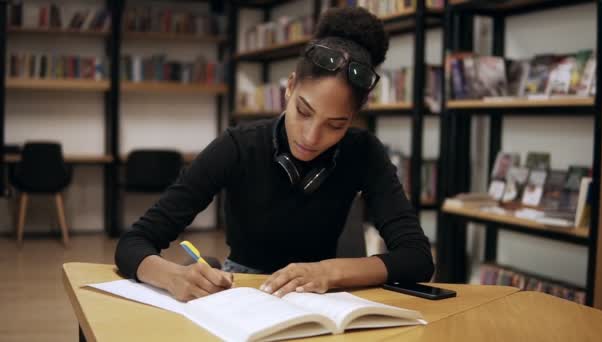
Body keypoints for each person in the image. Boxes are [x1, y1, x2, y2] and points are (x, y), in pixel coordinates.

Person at [115, 6, 434, 302]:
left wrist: (328, 271)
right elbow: (134, 242)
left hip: (319, 297)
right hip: (243, 292)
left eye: (335, 125)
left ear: (356, 114)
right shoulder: (239, 145)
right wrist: (173, 276)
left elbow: (417, 257)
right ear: (290, 87)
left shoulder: (364, 151)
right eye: (303, 111)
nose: (311, 137)